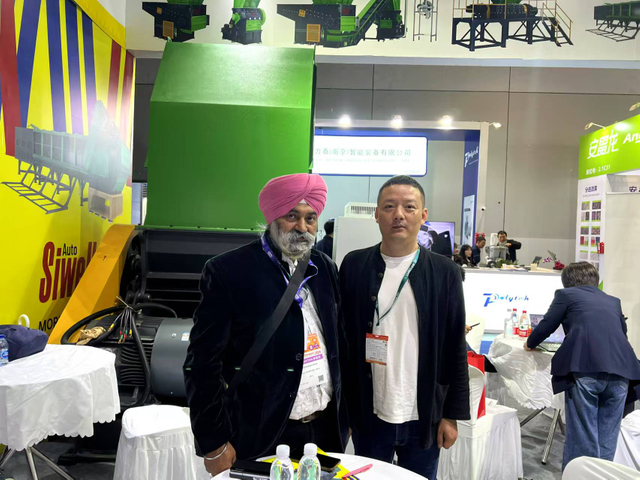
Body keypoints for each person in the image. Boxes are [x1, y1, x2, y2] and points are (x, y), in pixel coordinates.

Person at [184, 173, 348, 477]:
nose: (302, 227)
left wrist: (345, 419)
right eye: (292, 216)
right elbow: (201, 364)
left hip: (324, 432)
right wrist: (213, 442)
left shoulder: (324, 268)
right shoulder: (228, 271)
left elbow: (339, 345)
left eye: (310, 218)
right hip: (260, 433)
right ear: (272, 217)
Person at [340, 175, 470, 479]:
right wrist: (345, 412)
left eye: (409, 207)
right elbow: (343, 343)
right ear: (376, 214)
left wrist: (452, 415)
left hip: (423, 415)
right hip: (369, 412)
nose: (398, 214)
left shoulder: (445, 272)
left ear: (423, 215)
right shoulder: (354, 265)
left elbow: (455, 346)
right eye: (389, 206)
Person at [524, 262, 640, 470]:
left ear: (566, 282)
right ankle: (601, 474)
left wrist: (530, 343)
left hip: (585, 369)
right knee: (608, 437)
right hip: (622, 372)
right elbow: (622, 334)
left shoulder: (565, 295)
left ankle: (580, 474)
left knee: (582, 436)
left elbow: (547, 324)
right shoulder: (613, 301)